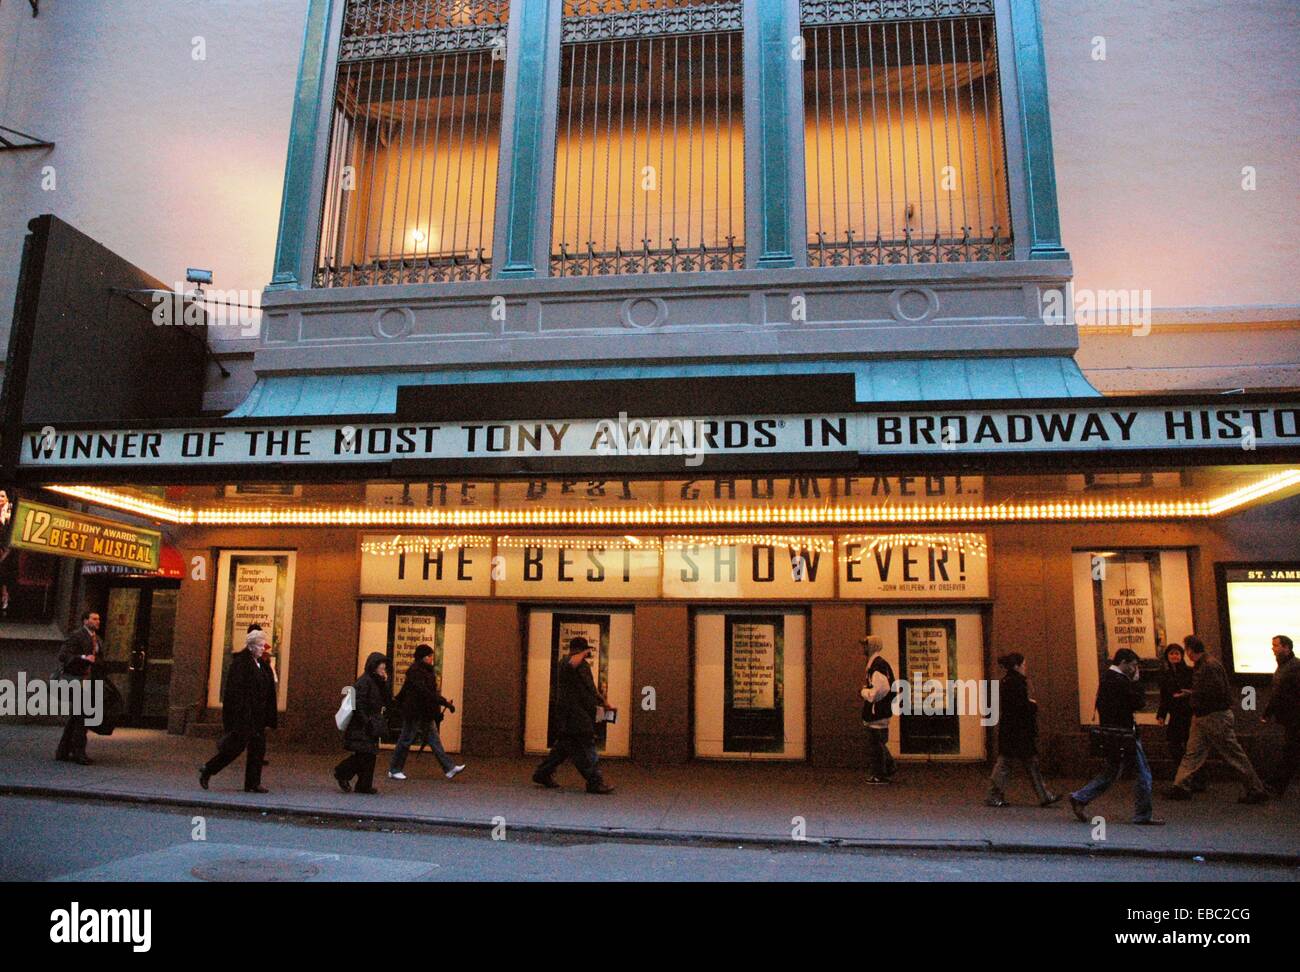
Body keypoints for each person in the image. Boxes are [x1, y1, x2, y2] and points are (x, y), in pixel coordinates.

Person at [1166, 636, 1268, 804]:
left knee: (1231, 754)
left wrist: (1193, 695)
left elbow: (1215, 692)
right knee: (1194, 753)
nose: (1186, 654)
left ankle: (1256, 789)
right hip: (1205, 715)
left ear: (1191, 650)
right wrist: (1193, 695)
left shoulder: (1208, 666)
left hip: (1213, 716)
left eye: (1187, 650)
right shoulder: (1207, 664)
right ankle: (1180, 786)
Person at [1068, 648, 1164, 825]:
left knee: (1111, 771)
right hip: (1125, 733)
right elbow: (1139, 703)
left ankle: (1080, 798)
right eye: (1133, 665)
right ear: (1124, 663)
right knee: (1143, 773)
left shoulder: (1107, 678)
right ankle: (1143, 815)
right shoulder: (1120, 681)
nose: (1135, 669)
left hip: (1112, 732)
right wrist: (1136, 682)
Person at [532, 636, 614, 794]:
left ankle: (542, 773)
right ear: (582, 650)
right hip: (576, 715)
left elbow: (590, 688)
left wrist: (603, 702)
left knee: (563, 747)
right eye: (587, 650)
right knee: (586, 747)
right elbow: (581, 678)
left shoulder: (571, 664)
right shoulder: (571, 663)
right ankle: (595, 781)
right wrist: (582, 653)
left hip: (569, 715)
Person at [199, 629, 278, 793]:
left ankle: (253, 783)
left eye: (264, 645)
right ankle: (208, 769)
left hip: (258, 715)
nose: (264, 648)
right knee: (234, 748)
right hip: (245, 715)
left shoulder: (261, 664)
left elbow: (268, 688)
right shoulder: (241, 663)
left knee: (258, 749)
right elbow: (235, 692)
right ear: (251, 646)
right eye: (260, 645)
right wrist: (240, 715)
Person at [986, 652, 1060, 807]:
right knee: (1029, 763)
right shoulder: (1019, 682)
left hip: (1010, 729)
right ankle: (1044, 795)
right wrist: (1033, 705)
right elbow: (1023, 706)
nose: (1025, 667)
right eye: (1024, 665)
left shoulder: (1006, 682)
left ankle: (995, 794)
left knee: (1006, 763)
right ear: (1016, 666)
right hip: (1021, 730)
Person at [388, 644, 465, 781]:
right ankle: (394, 769)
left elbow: (408, 690)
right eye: (429, 656)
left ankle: (449, 768)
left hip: (422, 711)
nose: (431, 659)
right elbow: (425, 692)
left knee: (433, 740)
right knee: (406, 739)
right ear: (423, 657)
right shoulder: (417, 672)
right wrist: (443, 702)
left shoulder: (421, 671)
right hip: (415, 712)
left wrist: (397, 701)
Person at [334, 652, 390, 794]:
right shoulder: (365, 682)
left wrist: (384, 682)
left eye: (384, 668)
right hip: (362, 725)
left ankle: (363, 784)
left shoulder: (375, 681)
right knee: (365, 755)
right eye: (381, 668)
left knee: (368, 755)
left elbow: (385, 698)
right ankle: (343, 773)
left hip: (368, 724)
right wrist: (366, 721)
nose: (383, 670)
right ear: (374, 667)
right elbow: (358, 703)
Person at [54, 611, 101, 765]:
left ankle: (62, 751)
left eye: (98, 619)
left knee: (77, 717)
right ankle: (78, 752)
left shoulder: (97, 639)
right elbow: (63, 655)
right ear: (85, 620)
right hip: (76, 681)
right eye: (94, 619)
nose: (97, 621)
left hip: (88, 682)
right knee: (82, 718)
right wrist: (83, 658)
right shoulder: (77, 635)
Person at [1263, 634, 1299, 796]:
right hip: (1291, 717)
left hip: (1295, 717)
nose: (1273, 648)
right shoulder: (1285, 666)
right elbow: (1278, 693)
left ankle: (1277, 784)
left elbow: (1283, 693)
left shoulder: (1293, 667)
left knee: (1290, 751)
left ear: (1287, 647)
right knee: (1291, 751)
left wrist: (1269, 712)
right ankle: (1277, 784)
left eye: (1276, 645)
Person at [859, 635, 897, 785]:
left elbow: (882, 689)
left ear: (871, 647)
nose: (863, 648)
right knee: (879, 742)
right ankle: (888, 767)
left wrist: (864, 693)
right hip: (882, 710)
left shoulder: (876, 666)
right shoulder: (880, 664)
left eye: (865, 645)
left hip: (877, 711)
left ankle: (881, 773)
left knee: (876, 744)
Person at [1156, 643, 1196, 783]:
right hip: (1175, 713)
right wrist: (1161, 714)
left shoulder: (1189, 672)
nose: (1174, 656)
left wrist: (1187, 695)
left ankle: (1191, 776)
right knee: (1174, 743)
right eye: (1171, 653)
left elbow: (1195, 690)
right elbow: (1164, 696)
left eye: (1177, 653)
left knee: (1189, 744)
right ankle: (1182, 773)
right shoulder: (1165, 675)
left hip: (1188, 712)